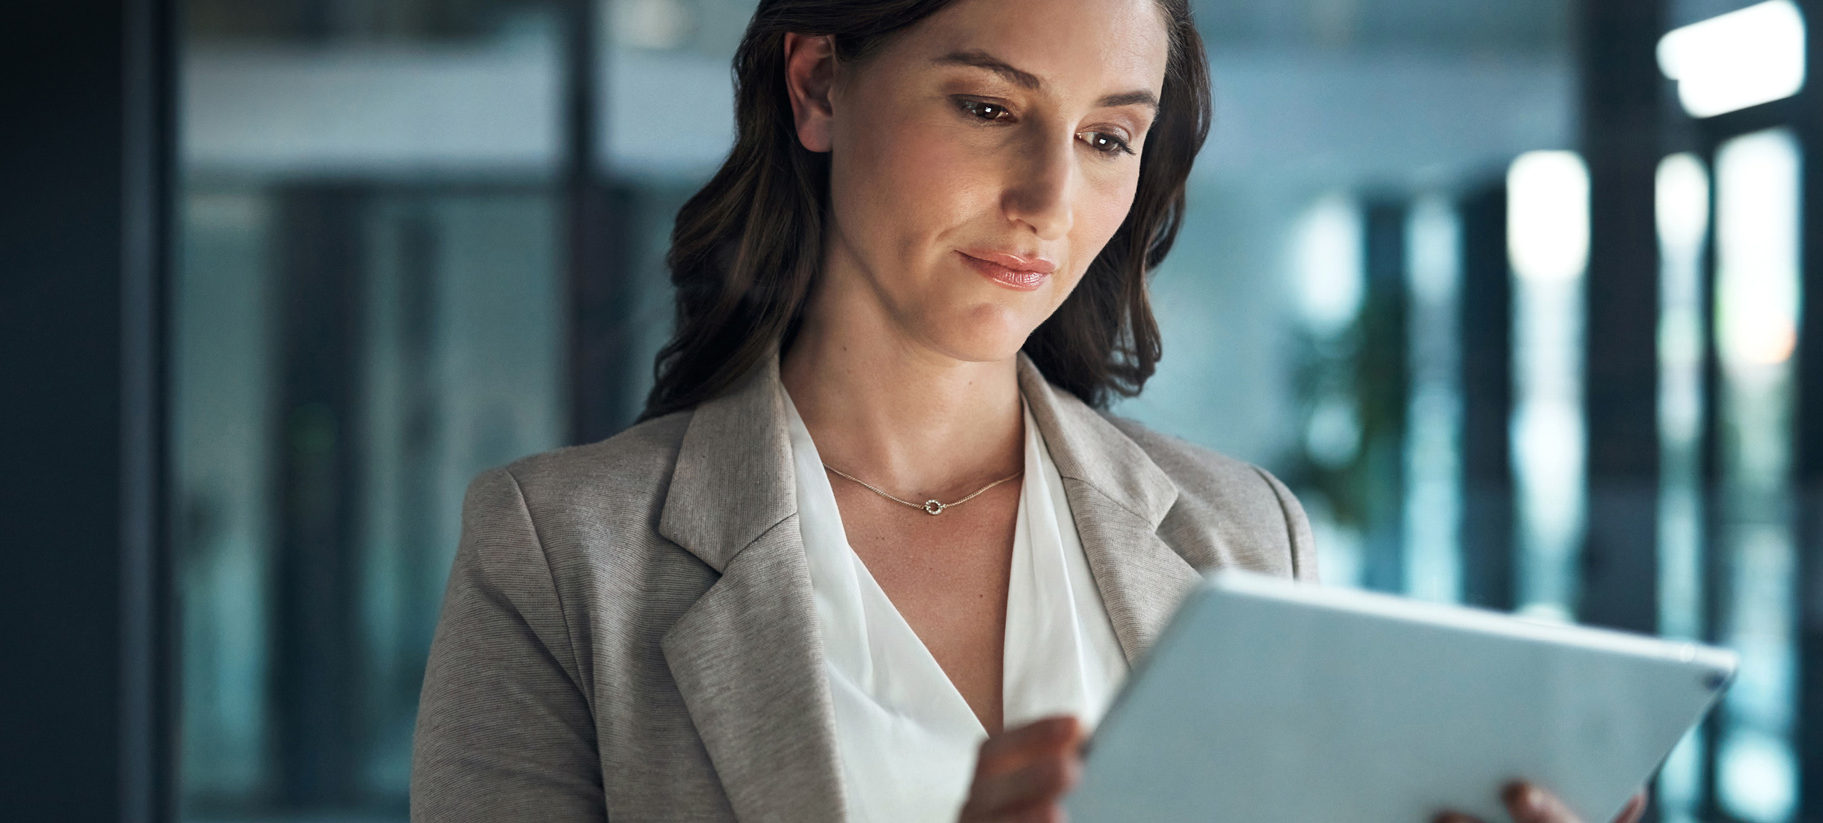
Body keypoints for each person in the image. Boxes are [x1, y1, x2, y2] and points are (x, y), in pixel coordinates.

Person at [409, 0, 1648, 821]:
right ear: (819, 86)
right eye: (991, 109)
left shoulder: (1241, 532)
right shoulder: (563, 553)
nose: (1050, 197)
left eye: (1111, 136)